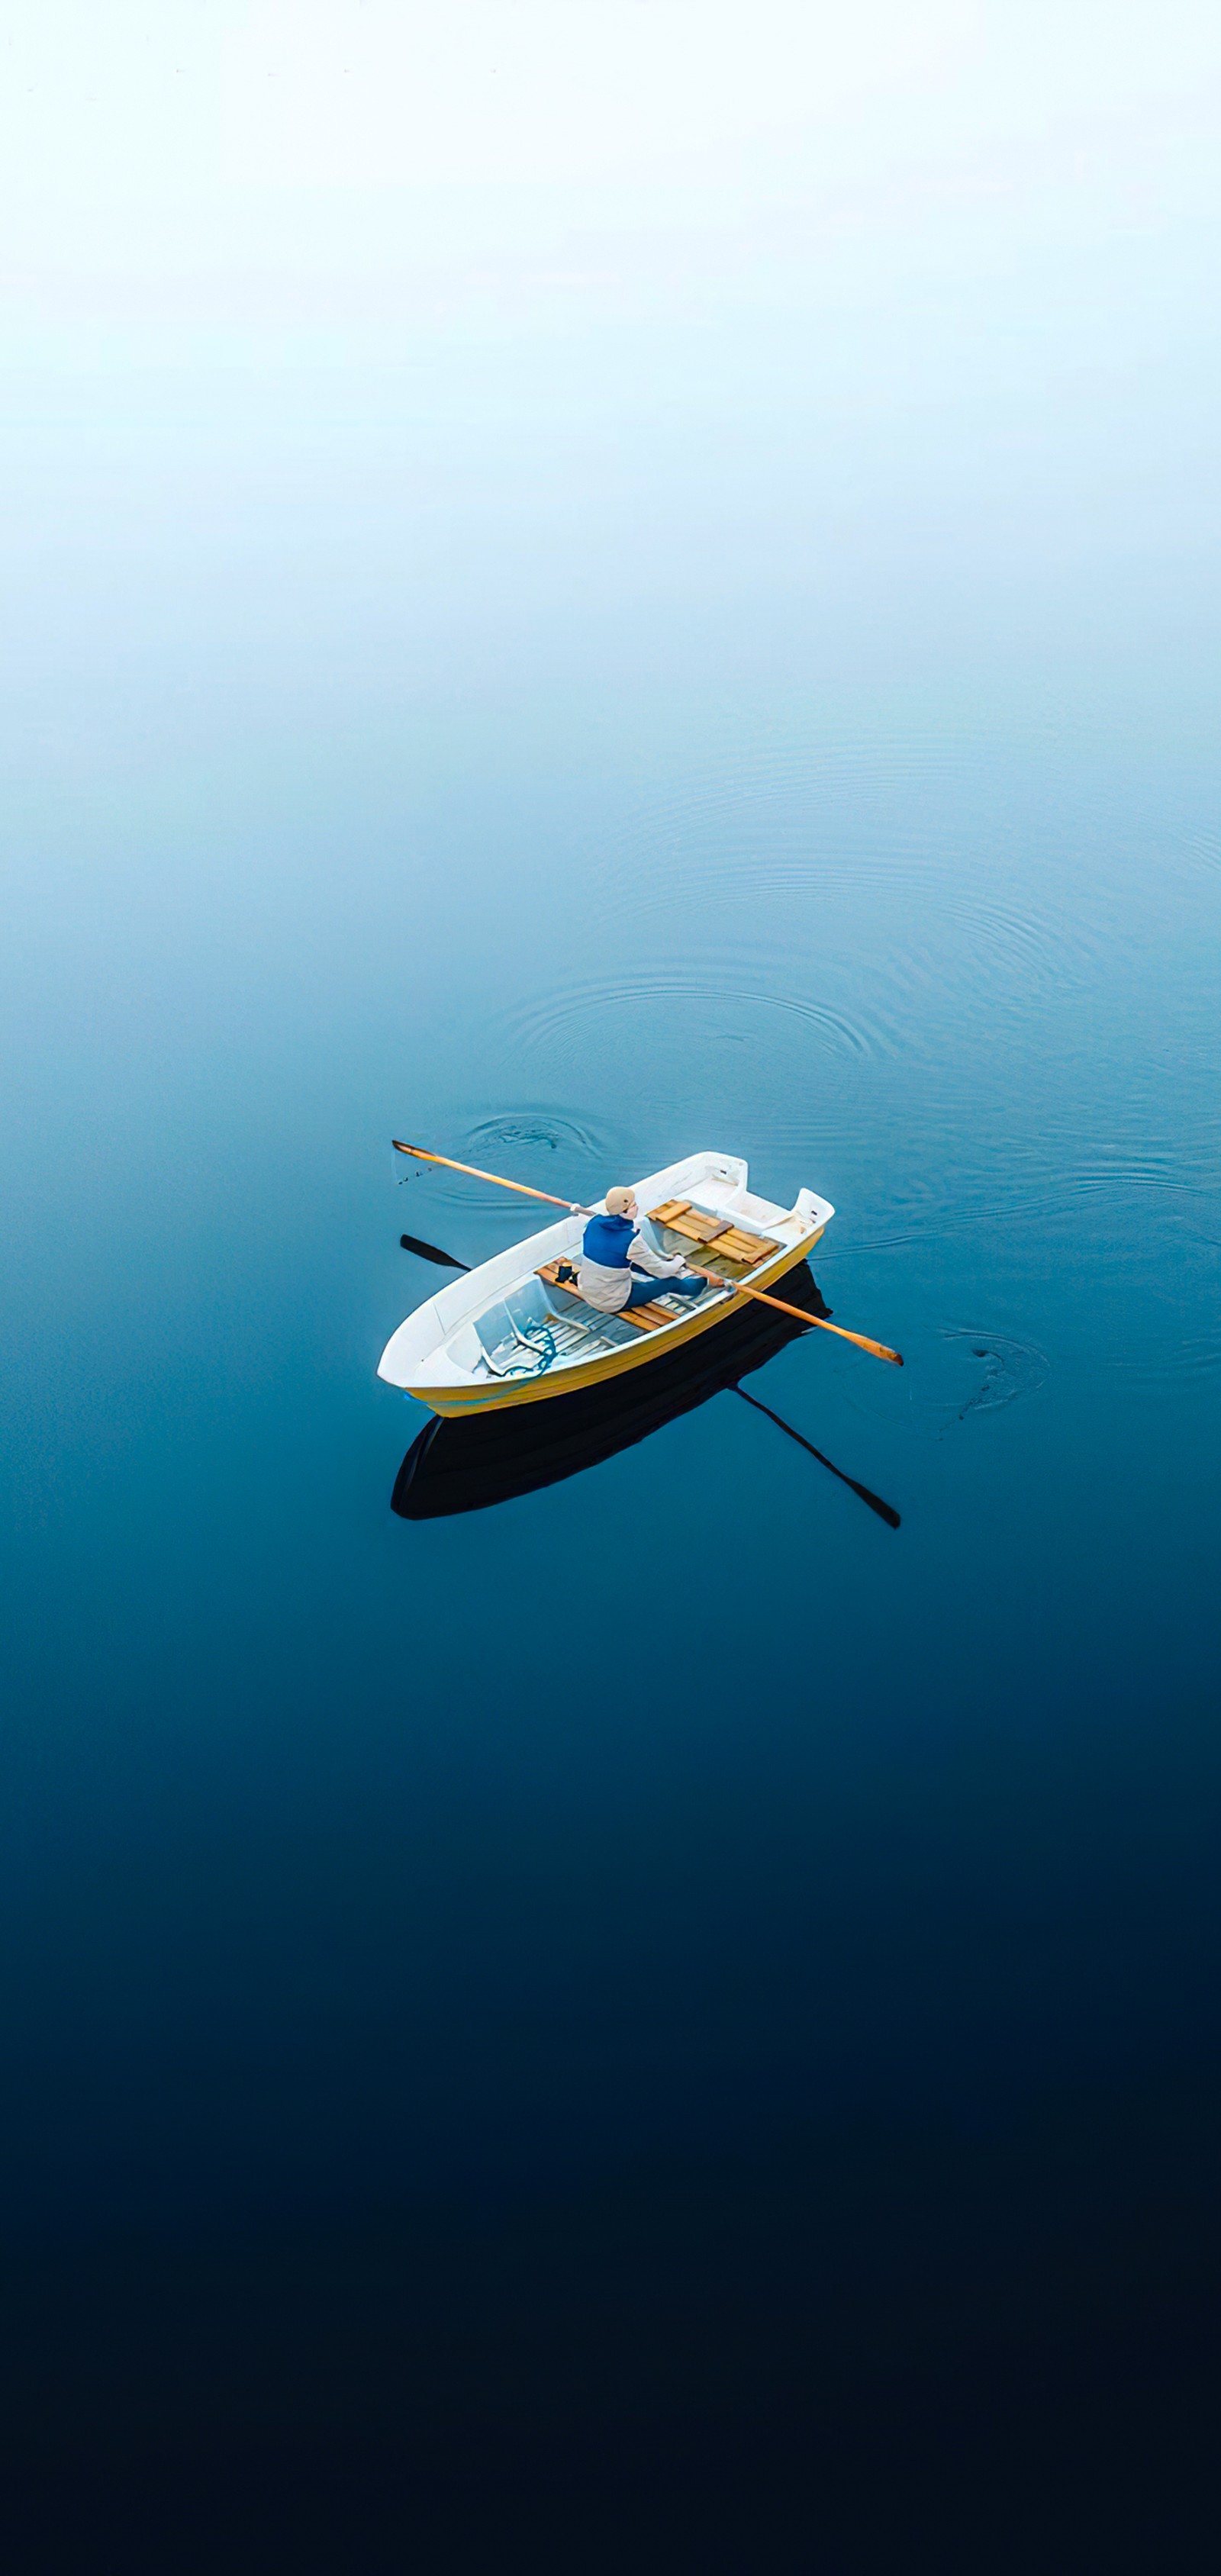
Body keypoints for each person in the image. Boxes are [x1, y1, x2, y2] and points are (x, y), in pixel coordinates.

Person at [575, 1184, 705, 1315]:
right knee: (671, 1282)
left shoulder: (593, 1224)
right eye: (634, 1205)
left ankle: (666, 1277)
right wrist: (679, 1260)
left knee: (633, 1265)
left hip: (586, 1288)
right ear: (625, 1211)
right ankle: (703, 1284)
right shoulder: (631, 1240)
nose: (637, 1207)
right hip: (612, 1301)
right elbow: (663, 1272)